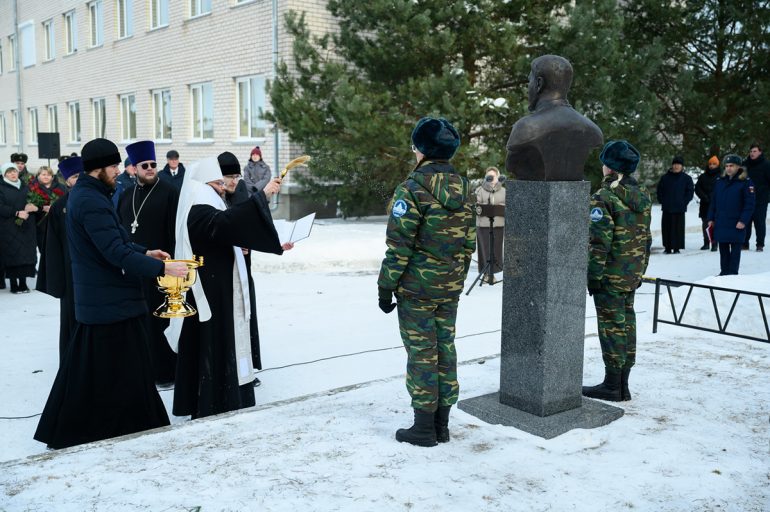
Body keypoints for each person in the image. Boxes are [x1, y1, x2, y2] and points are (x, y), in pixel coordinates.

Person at [34, 138, 189, 450]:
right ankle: (119, 425)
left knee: (94, 373)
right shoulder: (91, 200)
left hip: (104, 301)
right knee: (116, 372)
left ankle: (90, 426)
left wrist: (146, 251)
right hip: (109, 301)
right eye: (115, 165)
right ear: (98, 168)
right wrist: (163, 270)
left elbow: (117, 239)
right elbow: (114, 252)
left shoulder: (90, 194)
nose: (120, 170)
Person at [378, 117, 476, 447]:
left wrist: (385, 285)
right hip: (448, 288)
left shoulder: (412, 189)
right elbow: (468, 243)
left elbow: (399, 245)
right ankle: (442, 424)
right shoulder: (465, 189)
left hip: (417, 290)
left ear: (420, 150)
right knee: (445, 350)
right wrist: (455, 279)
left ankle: (423, 428)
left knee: (422, 352)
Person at [168, 156, 290, 420]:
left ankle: (229, 396)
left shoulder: (205, 204)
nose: (224, 189)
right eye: (219, 185)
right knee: (215, 346)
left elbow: (224, 231)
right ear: (205, 184)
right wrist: (263, 195)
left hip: (219, 286)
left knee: (225, 343)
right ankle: (216, 402)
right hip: (213, 292)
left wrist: (255, 244)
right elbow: (225, 223)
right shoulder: (200, 207)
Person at [584, 140, 651, 402]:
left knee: (612, 327)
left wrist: (593, 277)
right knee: (627, 325)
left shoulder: (604, 198)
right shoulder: (642, 196)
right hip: (631, 274)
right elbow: (646, 239)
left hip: (610, 277)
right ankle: (622, 384)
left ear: (610, 168)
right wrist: (640, 271)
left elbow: (598, 244)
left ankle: (613, 386)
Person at [118, 140, 180, 386]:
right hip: (133, 271)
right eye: (145, 165)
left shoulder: (170, 192)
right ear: (135, 168)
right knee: (137, 323)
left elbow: (177, 233)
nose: (151, 168)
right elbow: (122, 230)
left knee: (160, 322)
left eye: (154, 164)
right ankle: (142, 370)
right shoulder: (124, 196)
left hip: (162, 270)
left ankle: (166, 372)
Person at [505, 55, 603, 181]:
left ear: (539, 84)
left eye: (530, 81)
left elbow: (511, 165)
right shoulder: (592, 129)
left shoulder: (526, 128)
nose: (528, 87)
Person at [220, 151, 264, 384]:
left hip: (243, 270)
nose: (233, 181)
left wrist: (248, 240)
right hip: (223, 273)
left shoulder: (241, 194)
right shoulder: (212, 198)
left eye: (236, 176)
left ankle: (247, 367)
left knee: (245, 318)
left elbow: (249, 224)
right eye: (228, 176)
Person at [36, 157, 82, 363]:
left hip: (94, 273)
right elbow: (52, 247)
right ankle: (71, 361)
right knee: (71, 318)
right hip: (70, 271)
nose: (79, 179)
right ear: (67, 181)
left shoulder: (100, 199)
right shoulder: (59, 206)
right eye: (74, 176)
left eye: (82, 175)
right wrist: (55, 281)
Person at [707, 154, 756, 276]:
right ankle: (724, 273)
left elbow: (749, 204)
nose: (728, 168)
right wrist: (710, 218)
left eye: (731, 166)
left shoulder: (745, 182)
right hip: (721, 221)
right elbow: (714, 202)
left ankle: (733, 274)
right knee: (723, 249)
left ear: (738, 166)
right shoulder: (720, 182)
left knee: (735, 251)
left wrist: (743, 221)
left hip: (736, 222)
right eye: (727, 166)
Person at [0, 162, 39, 294]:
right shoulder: (1, 187)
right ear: (4, 174)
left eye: (14, 171)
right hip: (8, 226)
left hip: (26, 226)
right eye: (9, 172)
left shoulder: (25, 186)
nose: (13, 174)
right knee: (12, 253)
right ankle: (13, 284)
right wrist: (16, 212)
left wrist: (34, 207)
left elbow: (33, 200)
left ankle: (23, 283)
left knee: (24, 254)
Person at [656, 156, 694, 253]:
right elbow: (659, 191)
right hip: (667, 207)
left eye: (679, 164)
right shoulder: (665, 178)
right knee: (666, 228)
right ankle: (667, 247)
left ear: (682, 166)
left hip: (680, 208)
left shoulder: (687, 178)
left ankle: (677, 248)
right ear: (672, 165)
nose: (676, 166)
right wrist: (662, 201)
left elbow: (690, 192)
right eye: (675, 164)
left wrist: (684, 202)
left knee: (678, 229)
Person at [474, 166, 505, 282]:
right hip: (483, 226)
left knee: (496, 249)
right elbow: (477, 207)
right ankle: (486, 273)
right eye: (489, 176)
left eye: (493, 176)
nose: (491, 179)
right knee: (485, 248)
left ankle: (494, 273)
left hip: (498, 225)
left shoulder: (504, 191)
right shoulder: (480, 190)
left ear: (498, 177)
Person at [30, 166, 66, 253]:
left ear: (52, 177)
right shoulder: (32, 188)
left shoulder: (61, 187)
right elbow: (29, 205)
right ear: (38, 175)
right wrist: (41, 208)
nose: (46, 177)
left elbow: (66, 202)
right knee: (44, 252)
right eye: (43, 174)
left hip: (58, 224)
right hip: (40, 225)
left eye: (49, 175)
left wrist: (57, 208)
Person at [743, 144, 770, 251]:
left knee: (759, 222)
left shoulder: (766, 165)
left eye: (754, 151)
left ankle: (760, 244)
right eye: (751, 151)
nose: (752, 153)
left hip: (761, 199)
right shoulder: (745, 165)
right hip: (746, 199)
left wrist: (765, 192)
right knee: (745, 221)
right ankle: (744, 243)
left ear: (760, 152)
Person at [695, 156, 721, 251]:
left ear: (717, 165)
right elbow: (697, 188)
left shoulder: (721, 176)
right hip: (705, 204)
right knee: (705, 224)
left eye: (714, 164)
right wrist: (704, 196)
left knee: (715, 224)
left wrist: (713, 197)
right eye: (710, 164)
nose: (712, 166)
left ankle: (715, 243)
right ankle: (706, 242)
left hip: (716, 204)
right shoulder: (703, 176)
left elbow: (723, 189)